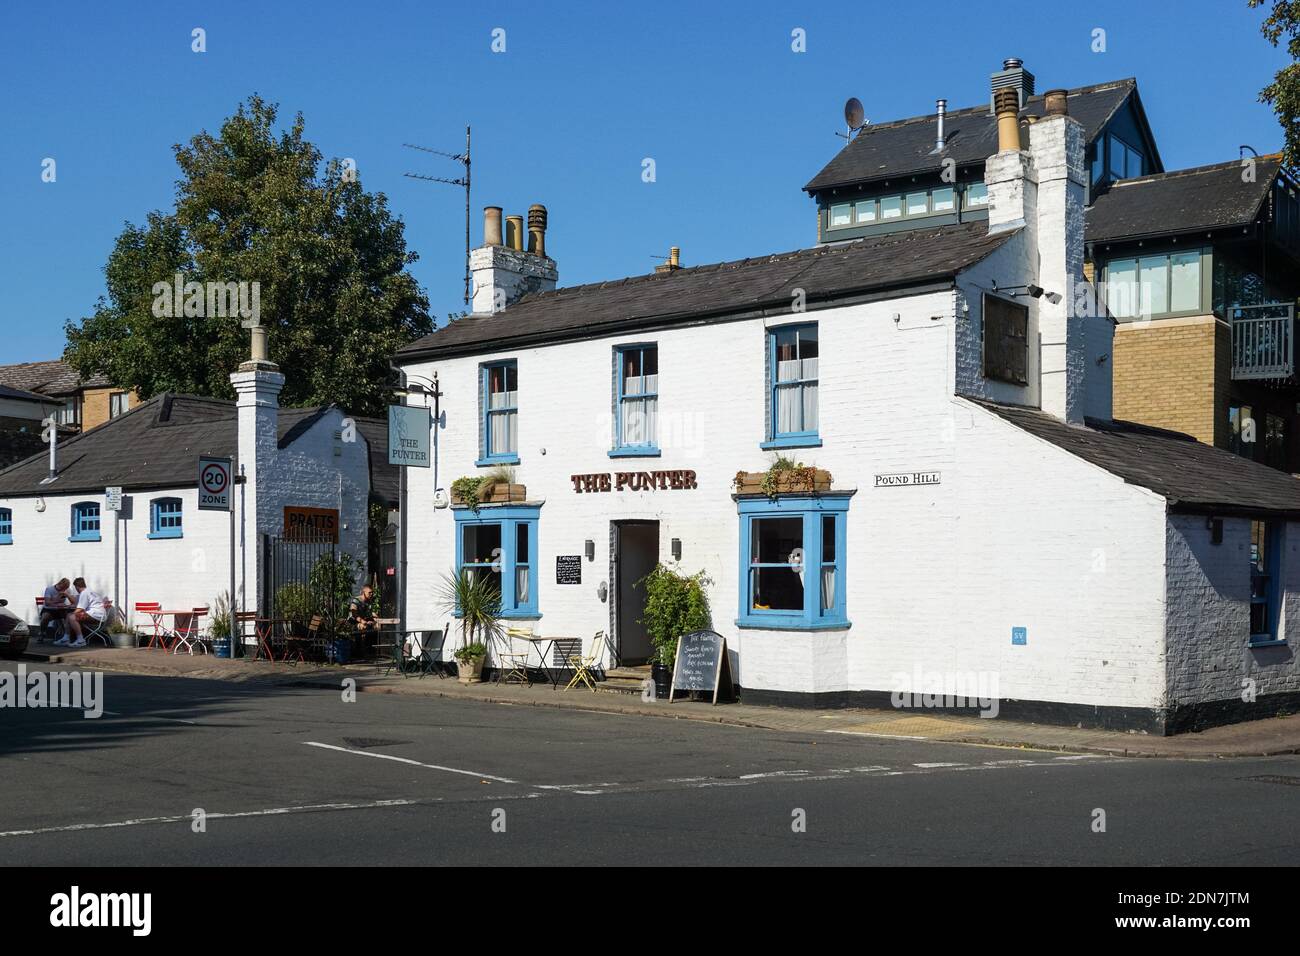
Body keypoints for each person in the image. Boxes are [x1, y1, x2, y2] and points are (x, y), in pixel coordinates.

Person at [63, 577, 108, 648]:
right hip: (100, 616)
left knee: (71, 617)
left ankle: (80, 640)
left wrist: (73, 613)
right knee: (70, 615)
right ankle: (66, 638)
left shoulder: (84, 593)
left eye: (75, 587)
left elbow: (80, 608)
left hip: (95, 616)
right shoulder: (91, 591)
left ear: (77, 587)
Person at [348, 584, 377, 651]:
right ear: (364, 592)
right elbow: (354, 614)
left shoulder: (368, 602)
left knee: (375, 626)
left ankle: (370, 649)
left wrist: (376, 620)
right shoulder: (356, 600)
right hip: (352, 623)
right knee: (363, 627)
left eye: (372, 592)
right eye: (369, 592)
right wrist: (364, 622)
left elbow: (371, 613)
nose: (371, 594)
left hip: (363, 621)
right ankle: (358, 651)